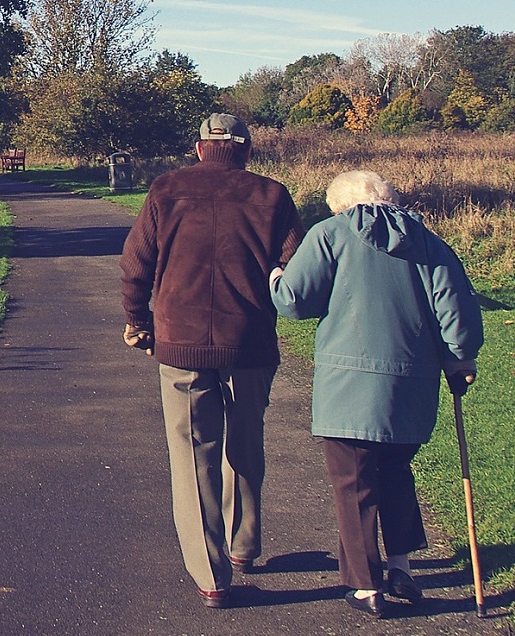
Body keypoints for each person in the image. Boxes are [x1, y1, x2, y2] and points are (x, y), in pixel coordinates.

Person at [269, 170, 484, 619]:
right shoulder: (429, 242)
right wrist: (460, 359)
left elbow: (294, 300)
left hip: (348, 386)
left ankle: (366, 585)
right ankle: (401, 567)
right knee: (396, 471)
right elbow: (456, 313)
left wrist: (275, 276)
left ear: (340, 205)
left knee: (354, 482)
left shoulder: (330, 234)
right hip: (412, 385)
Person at [119, 113, 305, 609]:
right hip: (250, 342)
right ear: (247, 150)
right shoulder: (272, 195)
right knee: (246, 441)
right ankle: (243, 544)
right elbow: (296, 269)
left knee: (192, 454)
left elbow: (135, 264)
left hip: (180, 341)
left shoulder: (166, 189)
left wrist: (138, 320)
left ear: (200, 148)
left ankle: (211, 575)